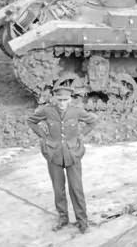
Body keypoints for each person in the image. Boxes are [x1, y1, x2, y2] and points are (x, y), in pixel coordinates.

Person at [27, 86, 97, 233]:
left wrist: (81, 136)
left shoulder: (76, 111)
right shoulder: (47, 110)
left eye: (65, 100)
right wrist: (44, 136)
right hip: (54, 154)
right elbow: (31, 121)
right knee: (58, 190)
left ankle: (82, 221)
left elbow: (92, 122)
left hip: (73, 154)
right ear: (54, 98)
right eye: (59, 100)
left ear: (70, 99)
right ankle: (63, 218)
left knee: (76, 188)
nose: (62, 103)